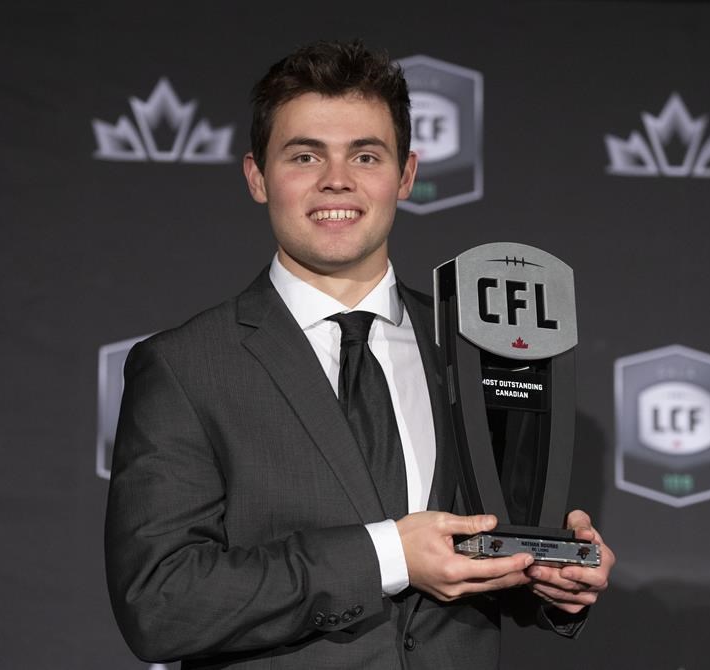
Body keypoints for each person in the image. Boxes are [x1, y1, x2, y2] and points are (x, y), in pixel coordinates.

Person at [104, 39, 615, 669]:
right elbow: (161, 604)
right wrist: (389, 555)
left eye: (365, 155)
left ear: (405, 175)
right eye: (304, 155)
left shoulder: (476, 345)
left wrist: (551, 581)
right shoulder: (186, 368)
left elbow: (489, 546)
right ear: (257, 177)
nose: (336, 180)